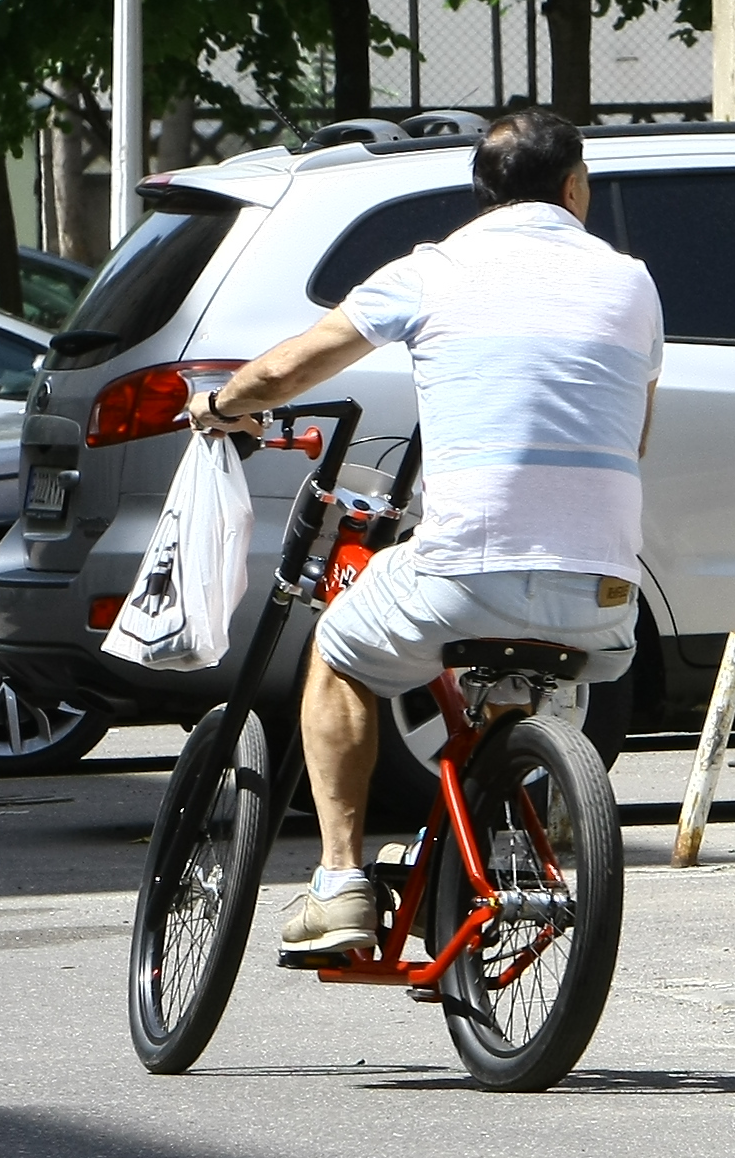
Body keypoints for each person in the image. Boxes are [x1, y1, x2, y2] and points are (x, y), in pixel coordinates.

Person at [185, 106, 662, 955]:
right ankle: (515, 824)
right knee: (524, 658)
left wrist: (222, 406)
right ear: (576, 188)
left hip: (470, 568)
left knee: (337, 650)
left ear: (481, 196)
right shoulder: (632, 281)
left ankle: (338, 885)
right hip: (608, 594)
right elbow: (634, 441)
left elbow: (293, 365)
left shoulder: (435, 269)